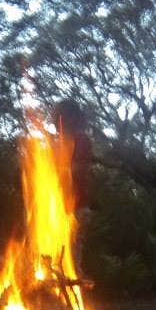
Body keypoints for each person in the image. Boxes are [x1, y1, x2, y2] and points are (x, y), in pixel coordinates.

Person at [53, 99, 94, 273]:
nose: (55, 123)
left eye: (58, 118)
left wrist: (54, 170)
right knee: (55, 259)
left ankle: (75, 297)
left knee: (71, 261)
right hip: (59, 209)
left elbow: (77, 170)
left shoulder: (81, 140)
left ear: (70, 118)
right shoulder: (60, 142)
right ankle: (58, 298)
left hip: (76, 209)